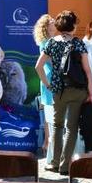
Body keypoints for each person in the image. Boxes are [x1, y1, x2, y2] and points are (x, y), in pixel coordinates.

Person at [35, 11, 92, 176]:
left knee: (57, 126)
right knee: (71, 128)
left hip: (58, 91)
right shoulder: (79, 44)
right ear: (73, 26)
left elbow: (38, 67)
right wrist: (90, 92)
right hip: (77, 90)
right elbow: (87, 70)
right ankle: (65, 165)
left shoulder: (51, 43)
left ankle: (53, 163)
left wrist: (48, 85)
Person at [33, 14, 56, 162]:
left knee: (50, 115)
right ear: (46, 27)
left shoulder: (50, 41)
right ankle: (48, 143)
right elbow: (49, 63)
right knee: (50, 114)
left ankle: (47, 143)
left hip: (49, 78)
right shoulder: (46, 43)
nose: (55, 25)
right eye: (52, 23)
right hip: (49, 79)